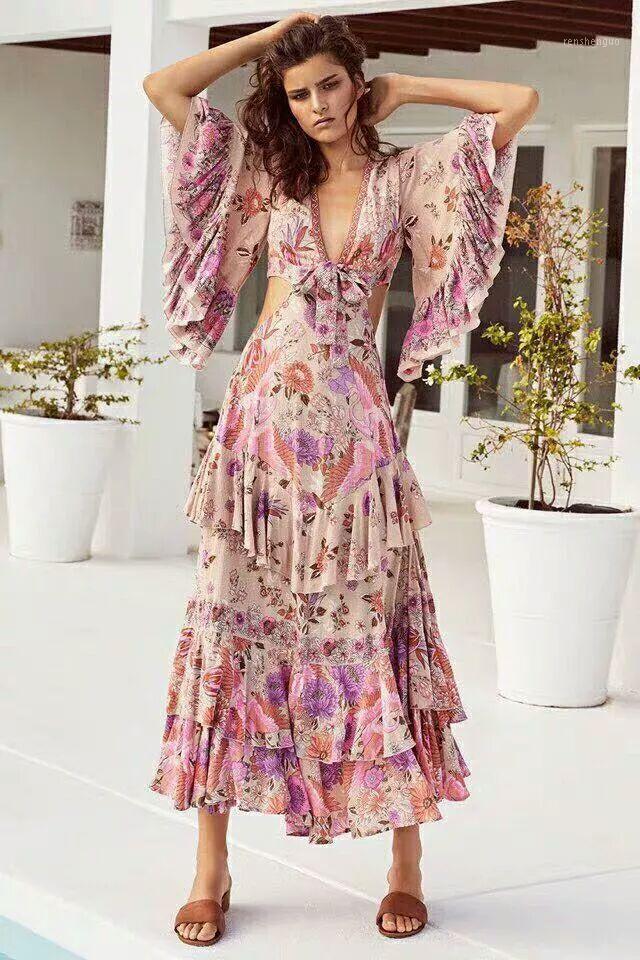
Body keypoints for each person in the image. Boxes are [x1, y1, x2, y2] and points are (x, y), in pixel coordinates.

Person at [143, 11, 537, 946]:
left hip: (357, 446)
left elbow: (517, 100)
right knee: (231, 626)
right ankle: (211, 865)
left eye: (329, 84)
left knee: (374, 631)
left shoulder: (408, 178)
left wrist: (412, 89)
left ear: (357, 84)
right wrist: (270, 37)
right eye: (298, 93)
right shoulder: (267, 173)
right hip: (258, 444)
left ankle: (405, 863)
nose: (316, 105)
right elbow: (166, 89)